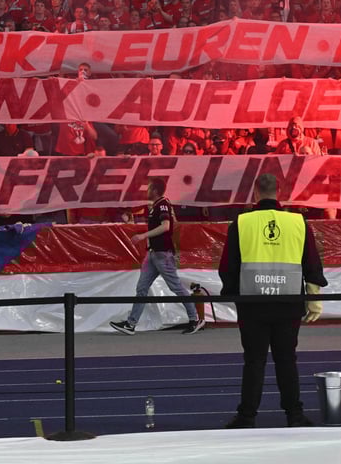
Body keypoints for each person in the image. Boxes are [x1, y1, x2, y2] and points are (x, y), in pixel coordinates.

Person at [219, 173, 328, 429]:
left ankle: (247, 417)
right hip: (288, 302)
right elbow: (311, 262)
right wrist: (314, 299)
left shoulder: (242, 222)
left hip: (252, 303)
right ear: (279, 192)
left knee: (254, 361)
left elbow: (228, 266)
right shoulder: (298, 222)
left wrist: (233, 294)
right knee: (287, 359)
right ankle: (295, 415)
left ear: (255, 193)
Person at [110, 177, 205, 335]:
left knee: (176, 287)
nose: (146, 191)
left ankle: (195, 319)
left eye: (148, 188)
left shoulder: (162, 205)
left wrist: (143, 236)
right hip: (154, 253)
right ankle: (131, 324)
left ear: (154, 190)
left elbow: (166, 226)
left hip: (162, 253)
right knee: (142, 288)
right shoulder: (158, 205)